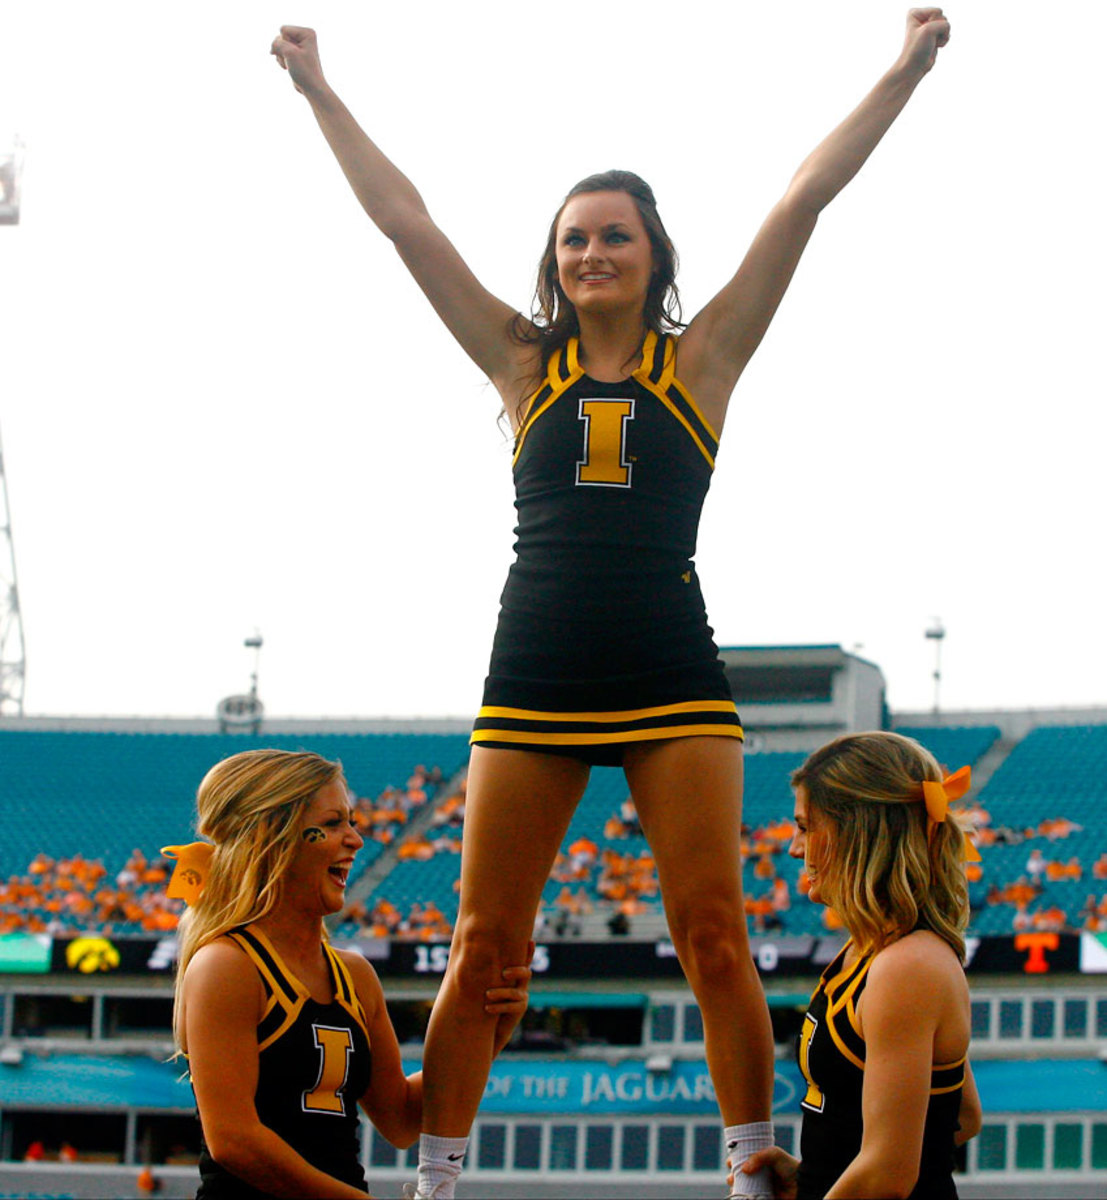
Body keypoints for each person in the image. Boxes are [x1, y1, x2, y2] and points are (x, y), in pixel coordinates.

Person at [270, 10, 952, 1197]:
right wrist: (320, 90)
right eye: (575, 240)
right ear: (554, 260)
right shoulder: (517, 364)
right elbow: (404, 223)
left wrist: (902, 69)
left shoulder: (703, 365)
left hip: (669, 670)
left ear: (654, 255)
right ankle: (438, 1179)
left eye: (616, 237)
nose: (593, 254)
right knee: (485, 942)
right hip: (533, 669)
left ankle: (747, 1168)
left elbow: (803, 200)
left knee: (713, 931)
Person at [166, 749, 531, 1199]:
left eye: (352, 822)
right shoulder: (228, 964)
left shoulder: (353, 976)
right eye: (335, 823)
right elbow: (235, 1141)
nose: (356, 839)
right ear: (271, 835)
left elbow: (401, 1117)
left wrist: (490, 1033)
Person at [738, 732, 983, 1199]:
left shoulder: (906, 966)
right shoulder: (868, 951)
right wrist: (815, 1175)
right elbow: (960, 1116)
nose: (794, 848)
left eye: (806, 827)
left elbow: (888, 1174)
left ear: (858, 832)